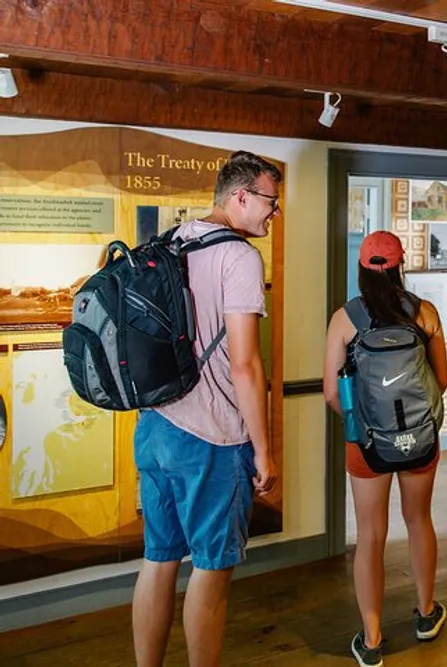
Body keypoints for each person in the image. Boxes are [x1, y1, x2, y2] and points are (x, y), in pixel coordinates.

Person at [131, 150, 280, 667]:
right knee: (211, 573)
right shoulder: (239, 257)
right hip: (211, 439)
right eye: (269, 202)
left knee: (158, 561)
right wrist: (263, 450)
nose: (271, 214)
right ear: (240, 196)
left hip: (155, 427)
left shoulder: (171, 241)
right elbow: (245, 365)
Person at [323, 231, 447, 667]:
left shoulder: (345, 319)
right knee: (419, 521)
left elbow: (331, 394)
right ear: (399, 266)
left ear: (362, 267)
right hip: (420, 439)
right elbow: (442, 381)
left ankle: (373, 641)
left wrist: (365, 426)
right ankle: (427, 614)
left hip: (366, 446)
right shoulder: (424, 313)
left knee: (370, 537)